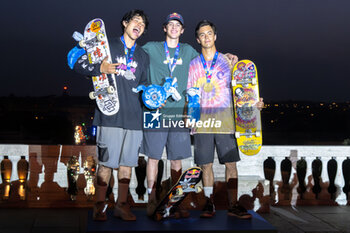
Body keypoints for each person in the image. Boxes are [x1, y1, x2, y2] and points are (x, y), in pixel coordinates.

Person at [73, 10, 150, 221]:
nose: (139, 25)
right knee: (105, 165)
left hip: (134, 119)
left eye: (143, 23)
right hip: (110, 116)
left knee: (127, 166)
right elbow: (77, 64)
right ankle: (99, 205)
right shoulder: (107, 45)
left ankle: (121, 205)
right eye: (135, 20)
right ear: (125, 23)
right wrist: (101, 67)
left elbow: (144, 86)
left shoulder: (144, 56)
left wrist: (153, 96)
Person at [187, 20, 264, 219]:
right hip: (203, 122)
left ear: (215, 36)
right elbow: (192, 93)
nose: (206, 37)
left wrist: (254, 104)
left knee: (231, 164)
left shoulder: (228, 62)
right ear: (198, 39)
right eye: (202, 34)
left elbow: (242, 89)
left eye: (209, 33)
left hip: (226, 120)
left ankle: (234, 204)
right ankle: (209, 202)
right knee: (206, 165)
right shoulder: (193, 64)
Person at [140, 12, 197, 218]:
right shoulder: (151, 48)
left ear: (182, 30)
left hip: (179, 113)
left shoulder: (189, 50)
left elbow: (205, 67)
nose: (174, 27)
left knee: (176, 161)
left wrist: (226, 58)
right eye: (170, 24)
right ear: (165, 28)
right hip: (154, 112)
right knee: (153, 158)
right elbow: (133, 60)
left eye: (178, 25)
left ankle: (176, 202)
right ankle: (151, 199)